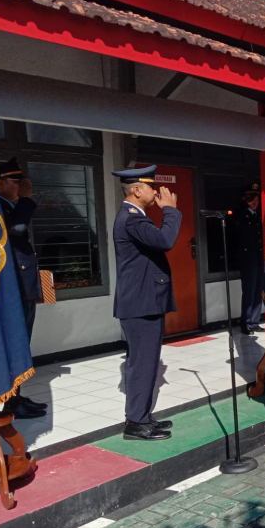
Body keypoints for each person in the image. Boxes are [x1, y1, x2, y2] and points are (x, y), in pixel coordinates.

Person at [112, 165, 181, 441]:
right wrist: (171, 210)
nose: (156, 192)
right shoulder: (132, 219)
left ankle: (143, 416)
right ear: (137, 190)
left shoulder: (135, 217)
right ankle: (136, 423)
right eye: (151, 187)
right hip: (140, 304)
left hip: (144, 302)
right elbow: (165, 240)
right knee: (142, 363)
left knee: (147, 362)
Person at [0, 158, 47, 420]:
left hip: (21, 287)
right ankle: (11, 402)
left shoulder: (9, 206)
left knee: (21, 346)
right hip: (12, 290)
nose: (23, 185)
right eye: (16, 181)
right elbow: (16, 229)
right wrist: (26, 200)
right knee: (16, 346)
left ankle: (15, 397)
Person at [233, 183, 265, 335]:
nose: (255, 202)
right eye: (251, 199)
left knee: (258, 290)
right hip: (247, 258)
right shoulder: (240, 215)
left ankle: (254, 321)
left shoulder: (258, 215)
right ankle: (246, 323)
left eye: (257, 198)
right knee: (249, 290)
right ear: (244, 199)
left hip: (258, 257)